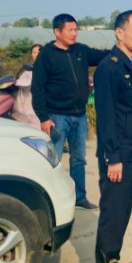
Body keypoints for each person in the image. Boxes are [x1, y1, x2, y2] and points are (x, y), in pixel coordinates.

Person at [32, 14, 110, 211]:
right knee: (54, 161)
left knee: (78, 159)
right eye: (70, 30)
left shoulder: (80, 51)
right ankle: (50, 202)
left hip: (79, 116)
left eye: (76, 30)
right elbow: (37, 88)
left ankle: (79, 198)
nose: (74, 33)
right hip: (57, 117)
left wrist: (124, 53)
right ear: (57, 32)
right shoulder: (46, 55)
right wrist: (44, 118)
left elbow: (103, 56)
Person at [92, 10, 132, 263]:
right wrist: (113, 157)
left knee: (122, 211)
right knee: (113, 212)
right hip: (119, 155)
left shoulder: (127, 65)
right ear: (119, 33)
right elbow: (106, 118)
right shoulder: (109, 68)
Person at [10, 44, 43, 130]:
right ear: (31, 54)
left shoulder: (47, 67)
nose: (36, 54)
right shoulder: (29, 68)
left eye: (38, 52)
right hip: (25, 100)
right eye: (34, 52)